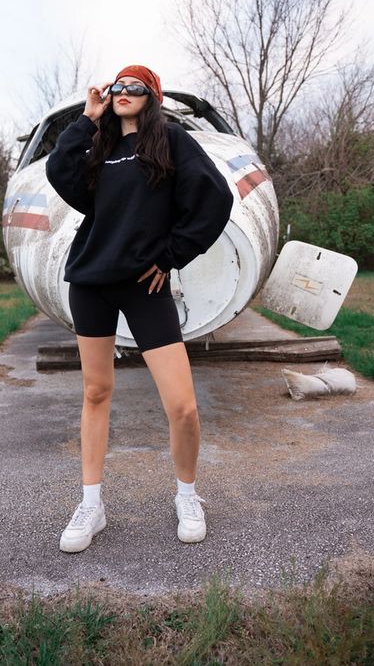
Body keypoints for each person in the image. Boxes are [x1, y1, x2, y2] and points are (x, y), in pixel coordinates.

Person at [45, 65, 234, 553]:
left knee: (183, 406)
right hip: (90, 282)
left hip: (143, 286)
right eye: (117, 87)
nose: (123, 92)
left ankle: (187, 496)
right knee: (95, 392)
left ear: (152, 96)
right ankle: (92, 505)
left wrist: (171, 256)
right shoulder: (99, 148)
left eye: (135, 87)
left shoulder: (170, 141)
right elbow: (60, 173)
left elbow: (215, 199)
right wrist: (87, 119)